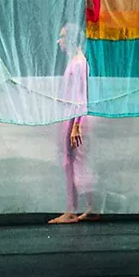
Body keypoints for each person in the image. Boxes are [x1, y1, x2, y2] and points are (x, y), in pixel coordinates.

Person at [49, 23, 99, 224]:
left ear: (70, 39)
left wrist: (76, 124)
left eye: (62, 37)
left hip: (75, 118)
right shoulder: (75, 62)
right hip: (72, 117)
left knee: (72, 162)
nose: (59, 41)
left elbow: (80, 95)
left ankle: (72, 210)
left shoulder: (79, 63)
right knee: (74, 162)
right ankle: (89, 207)